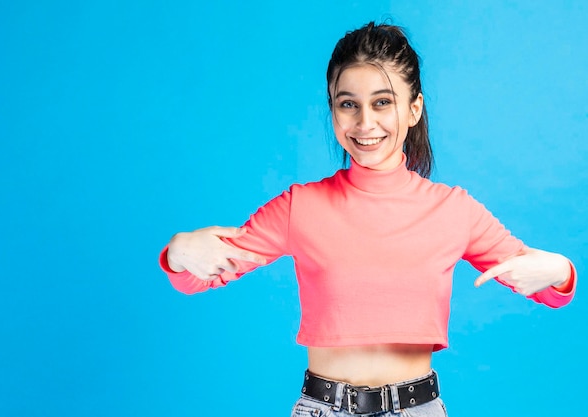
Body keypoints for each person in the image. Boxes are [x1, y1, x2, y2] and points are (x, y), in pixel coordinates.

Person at [159, 22, 576, 416]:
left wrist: (560, 270)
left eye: (382, 102)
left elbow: (547, 287)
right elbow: (199, 275)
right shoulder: (300, 207)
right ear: (333, 110)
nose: (365, 123)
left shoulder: (452, 209)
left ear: (414, 109)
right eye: (348, 105)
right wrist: (179, 252)